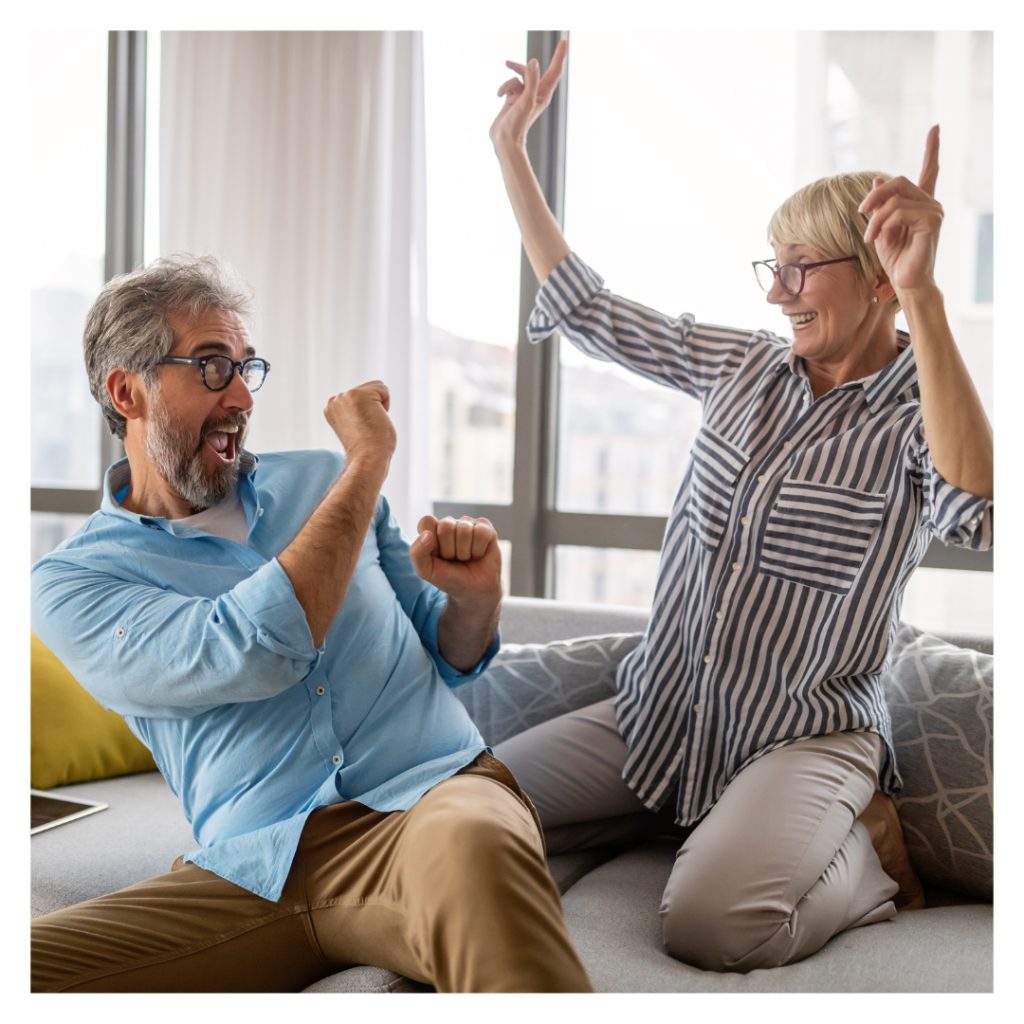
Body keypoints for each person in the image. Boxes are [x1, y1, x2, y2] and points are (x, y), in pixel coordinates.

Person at [488, 40, 993, 972]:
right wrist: (512, 149)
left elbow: (979, 505)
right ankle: (685, 820)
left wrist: (925, 298)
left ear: (879, 278)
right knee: (456, 802)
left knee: (714, 926)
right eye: (771, 265)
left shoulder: (921, 415)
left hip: (804, 741)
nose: (776, 289)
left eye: (802, 268)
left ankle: (867, 858)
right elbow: (587, 306)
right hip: (661, 717)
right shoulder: (741, 364)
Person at [30, 255, 593, 993]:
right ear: (126, 390)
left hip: (429, 803)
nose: (239, 395)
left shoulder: (325, 479)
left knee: (476, 842)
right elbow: (254, 650)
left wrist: (475, 600)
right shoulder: (74, 582)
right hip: (258, 868)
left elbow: (447, 649)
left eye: (245, 366)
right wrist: (368, 466)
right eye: (209, 367)